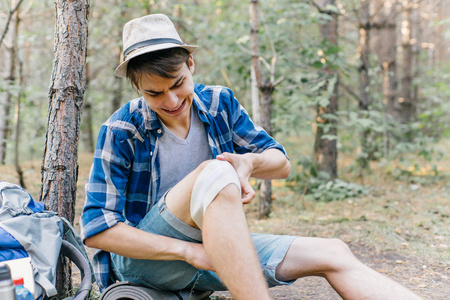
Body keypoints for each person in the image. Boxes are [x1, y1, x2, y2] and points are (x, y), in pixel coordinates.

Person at [81, 14, 422, 300]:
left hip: (217, 252)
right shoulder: (122, 129)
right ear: (137, 88)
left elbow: (281, 164)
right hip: (147, 263)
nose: (170, 100)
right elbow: (98, 229)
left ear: (191, 63)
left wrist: (250, 163)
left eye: (178, 84)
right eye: (154, 93)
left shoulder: (219, 104)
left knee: (334, 252)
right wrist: (187, 251)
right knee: (215, 173)